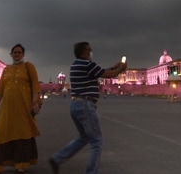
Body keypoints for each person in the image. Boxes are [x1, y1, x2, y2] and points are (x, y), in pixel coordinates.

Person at [49, 41, 127, 174]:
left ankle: (57, 158)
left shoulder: (75, 65)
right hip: (86, 105)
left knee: (84, 137)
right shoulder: (88, 64)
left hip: (75, 105)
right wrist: (121, 68)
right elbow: (108, 74)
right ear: (84, 51)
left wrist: (114, 67)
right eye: (89, 49)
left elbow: (101, 71)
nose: (91, 51)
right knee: (97, 141)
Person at [0, 44, 41, 173]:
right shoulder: (6, 69)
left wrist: (35, 103)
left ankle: (20, 164)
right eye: (15, 52)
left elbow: (35, 86)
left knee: (22, 134)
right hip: (7, 109)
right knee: (2, 134)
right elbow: (0, 91)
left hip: (24, 107)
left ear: (23, 54)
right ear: (11, 54)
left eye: (19, 52)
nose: (17, 54)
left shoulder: (29, 67)